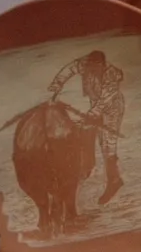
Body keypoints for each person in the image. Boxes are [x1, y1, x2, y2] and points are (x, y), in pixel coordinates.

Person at [47, 50, 125, 205]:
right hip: (95, 104)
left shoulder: (110, 74)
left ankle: (114, 180)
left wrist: (92, 114)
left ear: (102, 65)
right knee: (87, 134)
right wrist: (57, 84)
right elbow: (69, 69)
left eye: (95, 68)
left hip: (112, 109)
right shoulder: (84, 64)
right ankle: (87, 166)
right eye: (90, 67)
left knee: (107, 145)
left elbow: (105, 100)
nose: (91, 70)